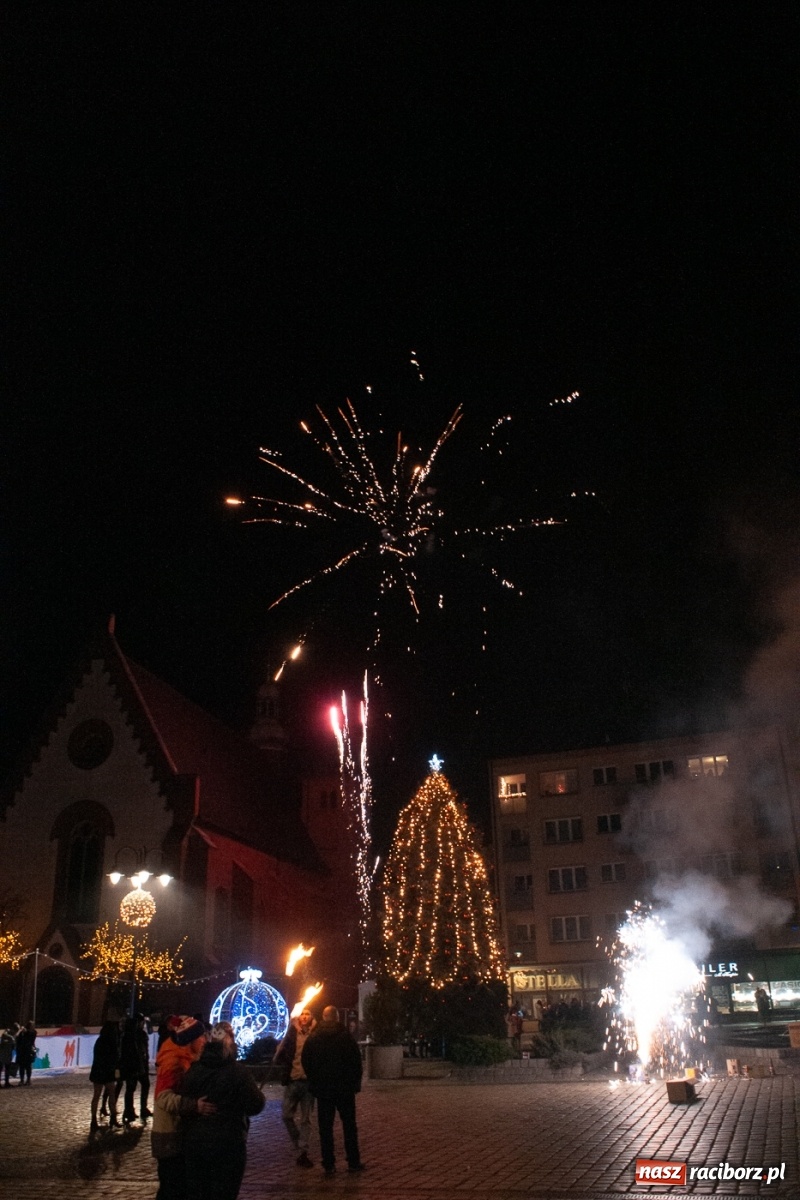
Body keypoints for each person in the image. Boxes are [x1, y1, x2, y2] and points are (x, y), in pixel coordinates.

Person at [179, 1020, 265, 1200]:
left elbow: (182, 1101)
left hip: (196, 1144)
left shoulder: (194, 1070)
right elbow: (255, 1105)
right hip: (228, 1145)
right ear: (228, 1043)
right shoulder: (237, 1072)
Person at [301, 1004, 365, 1178]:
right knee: (349, 1126)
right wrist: (354, 1084)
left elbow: (306, 1061)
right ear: (337, 1018)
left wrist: (314, 1081)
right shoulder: (345, 1037)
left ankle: (328, 1163)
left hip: (323, 1090)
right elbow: (356, 1062)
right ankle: (353, 1161)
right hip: (344, 1089)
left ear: (323, 1017)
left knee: (325, 1128)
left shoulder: (314, 1038)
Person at [151, 1015, 208, 1200]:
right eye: (200, 1037)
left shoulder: (186, 1057)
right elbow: (163, 1098)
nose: (204, 1040)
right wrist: (194, 1105)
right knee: (171, 1189)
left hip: (176, 1136)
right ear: (190, 1040)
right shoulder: (173, 1062)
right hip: (169, 1136)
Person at [273, 1008, 317, 1167]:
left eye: (307, 1014)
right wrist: (279, 1051)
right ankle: (299, 1142)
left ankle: (303, 1151)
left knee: (306, 1119)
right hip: (292, 1080)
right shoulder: (291, 1034)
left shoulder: (315, 1035)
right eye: (302, 1014)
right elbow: (282, 1057)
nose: (304, 1017)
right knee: (286, 1115)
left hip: (308, 1082)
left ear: (312, 1016)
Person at [118, 1012, 152, 1123]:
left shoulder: (133, 1035)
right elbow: (137, 1052)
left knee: (135, 1087)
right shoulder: (132, 1036)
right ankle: (130, 1110)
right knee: (132, 1088)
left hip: (137, 1066)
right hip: (135, 1066)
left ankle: (134, 1109)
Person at [90, 1020, 121, 1129]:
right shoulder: (112, 1042)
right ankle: (113, 1118)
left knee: (96, 1096)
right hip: (108, 1071)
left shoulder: (99, 1041)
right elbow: (115, 1058)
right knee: (111, 1095)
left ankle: (93, 1120)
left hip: (98, 1071)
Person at [15, 1020, 37, 1086]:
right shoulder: (22, 1033)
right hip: (21, 1051)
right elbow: (17, 1036)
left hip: (28, 1051)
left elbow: (30, 1034)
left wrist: (24, 1030)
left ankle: (28, 1080)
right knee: (21, 1067)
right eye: (31, 1025)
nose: (33, 1027)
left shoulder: (33, 1032)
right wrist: (20, 1030)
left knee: (28, 1066)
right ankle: (21, 1080)